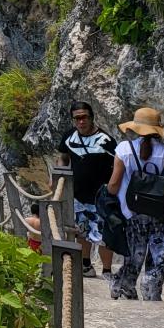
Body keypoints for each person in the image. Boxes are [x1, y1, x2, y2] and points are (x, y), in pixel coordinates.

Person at [106, 106, 164, 302]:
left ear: (135, 128)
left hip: (133, 214)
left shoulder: (124, 150)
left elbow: (113, 184)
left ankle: (124, 284)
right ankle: (151, 282)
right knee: (159, 255)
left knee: (134, 254)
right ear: (159, 130)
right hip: (162, 214)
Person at [61, 104, 117, 278]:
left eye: (84, 117)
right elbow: (63, 157)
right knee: (81, 232)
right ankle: (86, 265)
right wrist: (58, 175)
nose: (81, 121)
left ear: (92, 117)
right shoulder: (69, 137)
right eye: (77, 118)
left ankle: (107, 270)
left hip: (101, 197)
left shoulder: (105, 140)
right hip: (78, 195)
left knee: (104, 235)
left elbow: (117, 165)